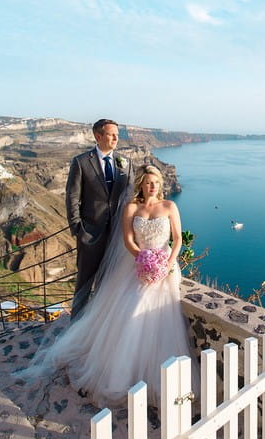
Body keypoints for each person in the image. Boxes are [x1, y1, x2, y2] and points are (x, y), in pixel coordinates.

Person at [48, 164, 198, 407]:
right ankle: (121, 375)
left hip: (164, 267)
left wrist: (166, 264)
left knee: (158, 317)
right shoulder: (131, 207)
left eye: (156, 182)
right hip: (137, 264)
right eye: (148, 182)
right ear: (141, 183)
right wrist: (143, 259)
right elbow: (128, 239)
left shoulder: (170, 206)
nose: (152, 186)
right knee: (131, 308)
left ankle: (156, 376)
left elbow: (178, 239)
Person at [65, 118, 135, 318]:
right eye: (111, 134)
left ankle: (101, 324)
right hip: (90, 234)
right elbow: (72, 197)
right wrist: (78, 230)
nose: (116, 138)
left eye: (117, 135)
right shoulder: (81, 162)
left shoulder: (126, 163)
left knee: (110, 283)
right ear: (98, 136)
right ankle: (76, 325)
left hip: (118, 237)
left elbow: (132, 197)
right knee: (84, 283)